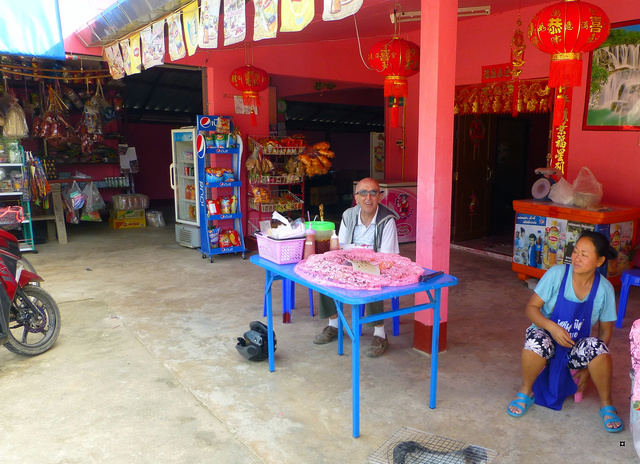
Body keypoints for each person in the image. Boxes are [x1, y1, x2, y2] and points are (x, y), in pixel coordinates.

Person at [507, 231, 622, 432]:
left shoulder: (604, 289)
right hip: (547, 340)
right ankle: (526, 392)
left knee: (598, 347)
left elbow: (604, 333)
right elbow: (531, 308)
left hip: (574, 348)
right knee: (536, 341)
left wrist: (587, 368)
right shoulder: (557, 274)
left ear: (599, 260)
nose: (577, 258)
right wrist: (552, 327)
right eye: (575, 251)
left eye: (585, 254)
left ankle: (606, 404)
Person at [313, 177, 399, 357]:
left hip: (378, 265)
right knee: (324, 274)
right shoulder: (348, 215)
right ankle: (334, 326)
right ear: (356, 198)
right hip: (351, 262)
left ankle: (380, 334)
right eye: (363, 193)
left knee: (372, 280)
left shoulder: (387, 220)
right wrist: (349, 263)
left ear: (380, 196)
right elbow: (342, 246)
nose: (368, 198)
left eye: (373, 193)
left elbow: (387, 257)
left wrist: (365, 264)